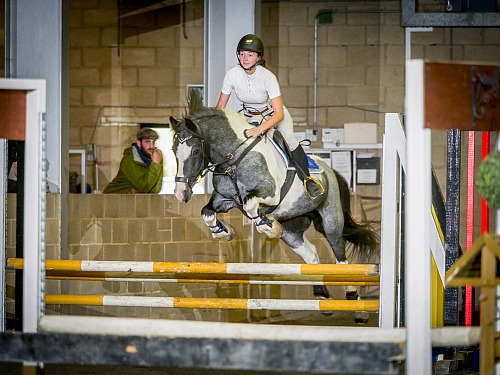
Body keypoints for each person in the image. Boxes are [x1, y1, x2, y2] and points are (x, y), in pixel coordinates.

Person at [216, 33, 324, 199]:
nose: (245, 58)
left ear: (258, 57)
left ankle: (307, 178)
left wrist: (259, 129)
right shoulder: (231, 75)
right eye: (242, 54)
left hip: (273, 115)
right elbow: (221, 106)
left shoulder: (268, 77)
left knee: (288, 137)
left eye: (250, 55)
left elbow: (279, 113)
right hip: (249, 116)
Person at [103, 127, 163, 194]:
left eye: (153, 142)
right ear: (139, 143)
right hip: (113, 198)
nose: (152, 146)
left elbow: (155, 189)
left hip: (133, 200)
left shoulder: (155, 158)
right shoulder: (130, 159)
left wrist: (156, 164)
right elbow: (145, 188)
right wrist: (155, 165)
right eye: (147, 142)